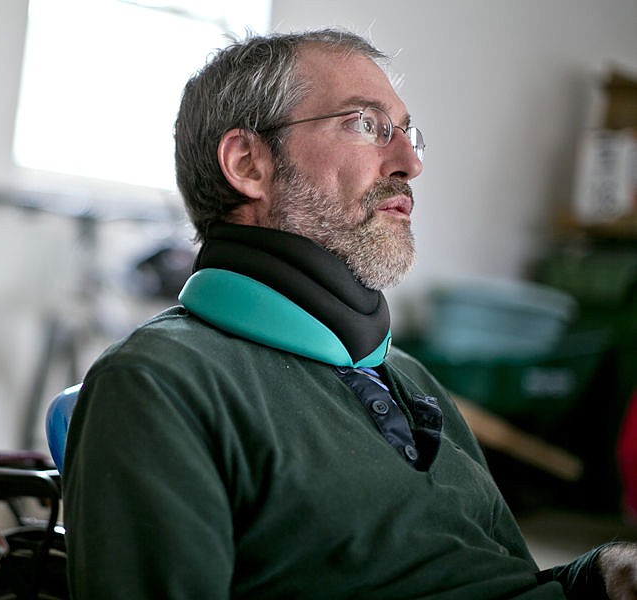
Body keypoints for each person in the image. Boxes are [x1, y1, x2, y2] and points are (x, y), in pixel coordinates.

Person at [62, 28, 637, 599]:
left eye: (409, 133)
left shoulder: (410, 377)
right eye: (365, 124)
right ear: (247, 163)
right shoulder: (162, 383)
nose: (409, 161)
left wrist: (599, 579)